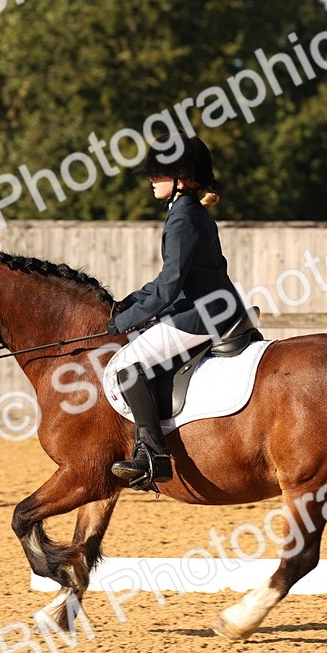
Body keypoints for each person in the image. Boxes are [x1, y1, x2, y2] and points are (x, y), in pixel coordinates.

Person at [106, 133, 246, 488]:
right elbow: (166, 279)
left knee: (126, 366)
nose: (152, 179)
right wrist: (129, 302)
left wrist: (122, 323)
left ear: (180, 179)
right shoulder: (188, 211)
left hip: (201, 313)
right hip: (211, 305)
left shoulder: (183, 217)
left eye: (158, 173)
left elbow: (169, 288)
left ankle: (152, 455)